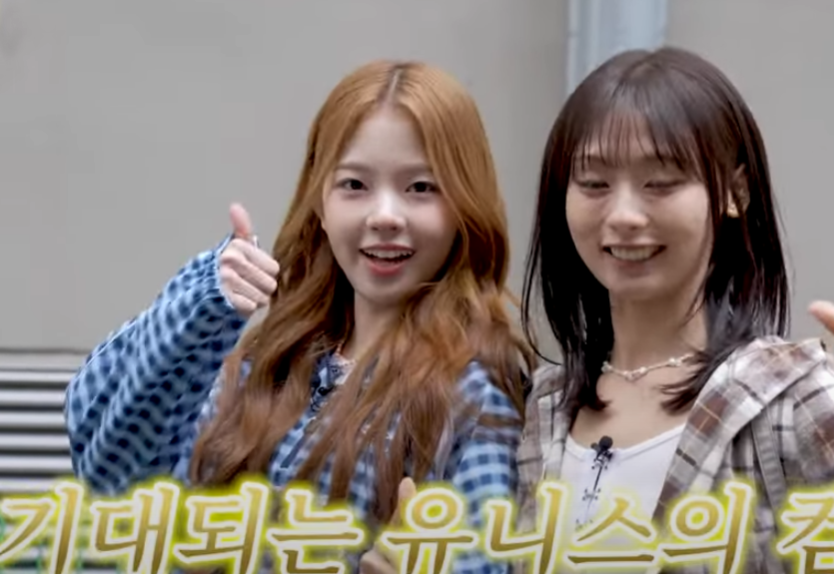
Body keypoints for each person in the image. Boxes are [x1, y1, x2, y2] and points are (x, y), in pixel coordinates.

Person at [513, 46, 834, 574]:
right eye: (593, 183)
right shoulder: (547, 406)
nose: (624, 214)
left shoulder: (789, 398)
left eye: (661, 182)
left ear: (735, 192)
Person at [63, 59, 532, 574]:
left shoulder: (474, 395)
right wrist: (199, 308)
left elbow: (484, 556)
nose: (384, 216)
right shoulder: (269, 362)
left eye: (420, 187)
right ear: (320, 203)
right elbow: (115, 478)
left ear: (465, 205)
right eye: (354, 184)